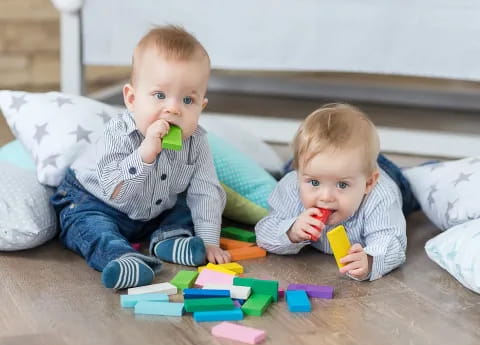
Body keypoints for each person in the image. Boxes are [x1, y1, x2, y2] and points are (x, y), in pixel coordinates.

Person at [51, 25, 229, 290]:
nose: (173, 109)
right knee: (90, 228)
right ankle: (122, 258)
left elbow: (206, 192)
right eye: (159, 95)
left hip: (152, 210)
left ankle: (170, 239)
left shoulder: (197, 142)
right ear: (132, 99)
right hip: (95, 201)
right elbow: (116, 191)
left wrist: (209, 241)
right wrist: (145, 154)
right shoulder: (118, 133)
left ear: (201, 106)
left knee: (187, 207)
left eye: (188, 100)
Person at [255, 103, 418, 281]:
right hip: (322, 166)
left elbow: (392, 242)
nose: (325, 197)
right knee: (298, 164)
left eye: (341, 185)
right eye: (315, 182)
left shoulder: (380, 196)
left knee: (413, 189)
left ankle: (422, 170)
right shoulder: (292, 186)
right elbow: (264, 233)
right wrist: (291, 231)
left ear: (368, 183)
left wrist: (370, 260)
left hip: (390, 176)